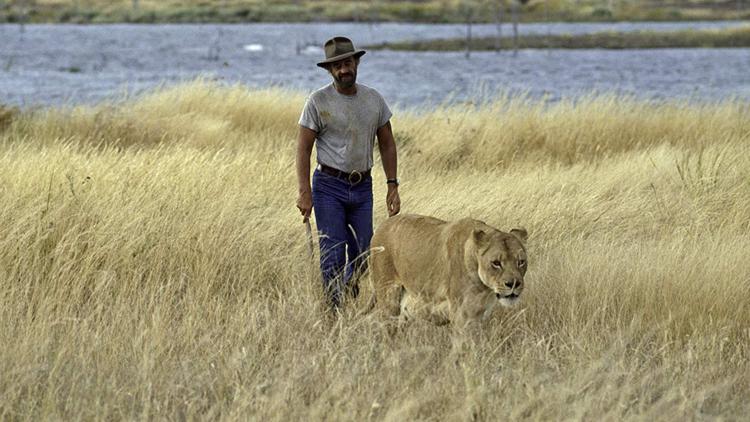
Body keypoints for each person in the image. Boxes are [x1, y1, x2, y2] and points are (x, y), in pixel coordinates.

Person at [296, 36, 400, 310]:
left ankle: (346, 288)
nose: (345, 69)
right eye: (338, 66)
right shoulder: (317, 101)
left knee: (365, 252)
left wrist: (392, 185)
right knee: (332, 253)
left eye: (348, 62)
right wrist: (304, 192)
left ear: (356, 62)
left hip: (363, 187)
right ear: (330, 70)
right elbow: (303, 149)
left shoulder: (373, 99)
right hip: (328, 186)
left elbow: (387, 143)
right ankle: (334, 313)